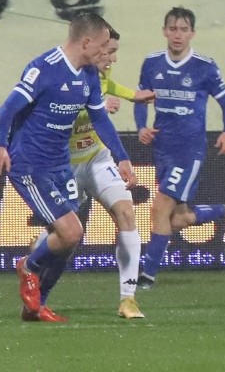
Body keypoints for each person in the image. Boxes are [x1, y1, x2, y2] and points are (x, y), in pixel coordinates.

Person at [0, 12, 137, 322]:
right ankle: (27, 267)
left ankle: (36, 306)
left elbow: (99, 119)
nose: (107, 52)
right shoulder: (45, 68)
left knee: (68, 241)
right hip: (30, 165)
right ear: (86, 41)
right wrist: (0, 144)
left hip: (60, 165)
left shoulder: (89, 76)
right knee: (70, 231)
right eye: (105, 44)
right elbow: (7, 109)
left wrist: (121, 156)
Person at [31, 25, 155, 319]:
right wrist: (95, 108)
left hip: (96, 158)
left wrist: (133, 96)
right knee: (61, 237)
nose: (111, 58)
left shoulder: (100, 74)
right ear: (93, 46)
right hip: (65, 164)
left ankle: (128, 299)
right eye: (108, 50)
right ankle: (33, 275)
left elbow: (108, 89)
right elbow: (61, 111)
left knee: (126, 211)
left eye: (113, 52)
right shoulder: (63, 74)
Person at [135, 6, 225, 289]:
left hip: (189, 150)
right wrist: (141, 127)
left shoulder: (204, 67)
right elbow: (140, 99)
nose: (177, 35)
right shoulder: (152, 63)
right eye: (172, 29)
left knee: (159, 209)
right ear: (164, 31)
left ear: (192, 33)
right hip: (162, 148)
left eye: (183, 29)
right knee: (178, 219)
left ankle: (145, 276)